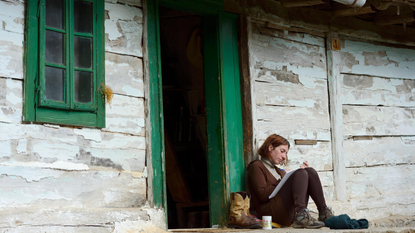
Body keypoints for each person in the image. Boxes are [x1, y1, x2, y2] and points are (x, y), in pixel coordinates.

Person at [247, 134, 334, 229]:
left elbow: (290, 185)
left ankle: (323, 212)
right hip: (270, 213)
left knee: (309, 171)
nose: (284, 156)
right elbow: (263, 195)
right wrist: (289, 177)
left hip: (287, 212)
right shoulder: (256, 166)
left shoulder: (278, 171)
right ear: (270, 147)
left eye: (286, 153)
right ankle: (301, 215)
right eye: (282, 151)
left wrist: (300, 174)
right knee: (300, 173)